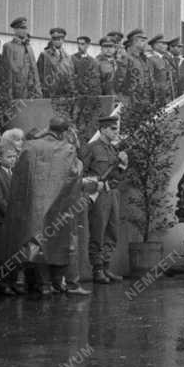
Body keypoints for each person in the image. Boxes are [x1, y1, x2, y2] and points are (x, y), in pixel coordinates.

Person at [4, 117, 84, 296]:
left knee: (36, 243)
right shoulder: (67, 149)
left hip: (33, 206)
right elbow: (74, 176)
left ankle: (43, 284)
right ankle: (56, 283)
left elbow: (19, 175)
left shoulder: (30, 146)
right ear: (63, 132)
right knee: (56, 244)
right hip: (57, 206)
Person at [80, 115, 128, 284]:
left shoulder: (114, 150)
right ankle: (97, 269)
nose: (116, 132)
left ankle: (106, 267)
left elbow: (118, 176)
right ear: (103, 129)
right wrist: (93, 186)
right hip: (98, 195)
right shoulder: (91, 148)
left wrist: (123, 166)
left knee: (112, 232)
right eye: (113, 129)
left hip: (113, 193)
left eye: (117, 129)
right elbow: (81, 173)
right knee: (98, 232)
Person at [0, 145, 19, 294]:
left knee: (13, 253)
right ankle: (2, 284)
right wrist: (11, 213)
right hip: (1, 220)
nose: (13, 159)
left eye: (14, 157)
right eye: (9, 157)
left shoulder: (15, 174)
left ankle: (12, 282)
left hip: (13, 221)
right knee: (2, 255)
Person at [2, 17, 41, 99]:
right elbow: (7, 71)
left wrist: (37, 88)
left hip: (31, 88)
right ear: (15, 30)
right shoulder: (9, 46)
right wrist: (9, 93)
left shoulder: (29, 47)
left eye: (25, 28)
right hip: (17, 89)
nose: (24, 31)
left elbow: (34, 68)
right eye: (22, 28)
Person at [38, 27, 75, 97]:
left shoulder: (68, 57)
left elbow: (71, 76)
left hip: (65, 95)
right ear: (51, 40)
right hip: (49, 94)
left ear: (63, 39)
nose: (57, 41)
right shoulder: (44, 55)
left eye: (59, 39)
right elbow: (39, 76)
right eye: (54, 39)